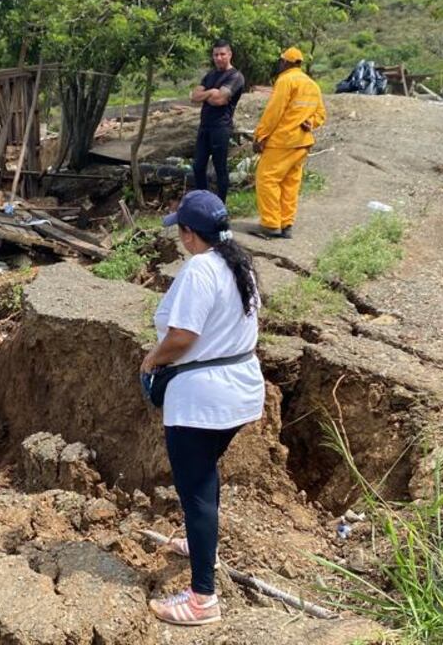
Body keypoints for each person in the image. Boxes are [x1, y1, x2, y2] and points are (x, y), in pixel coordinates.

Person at [141, 189, 264, 626]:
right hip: (241, 389)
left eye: (181, 230)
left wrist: (152, 358)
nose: (180, 237)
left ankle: (202, 601)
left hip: (202, 399)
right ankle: (200, 543)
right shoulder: (239, 262)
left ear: (190, 234)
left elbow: (183, 336)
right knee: (206, 474)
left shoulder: (199, 270)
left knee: (194, 490)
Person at [253, 46, 327, 239]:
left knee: (266, 179)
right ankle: (286, 224)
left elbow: (274, 111)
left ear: (285, 62)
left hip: (283, 141)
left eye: (281, 61)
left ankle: (270, 224)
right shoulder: (312, 85)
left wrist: (260, 135)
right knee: (290, 183)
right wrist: (310, 122)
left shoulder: (285, 80)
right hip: (302, 143)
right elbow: (320, 115)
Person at [190, 40, 246, 203]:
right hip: (204, 126)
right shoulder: (210, 75)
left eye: (222, 54)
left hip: (221, 127)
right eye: (216, 55)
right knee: (198, 166)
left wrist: (208, 95)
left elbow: (220, 99)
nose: (219, 58)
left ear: (229, 54)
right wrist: (211, 93)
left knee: (219, 167)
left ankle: (220, 204)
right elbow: (194, 96)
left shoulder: (235, 76)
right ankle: (203, 202)